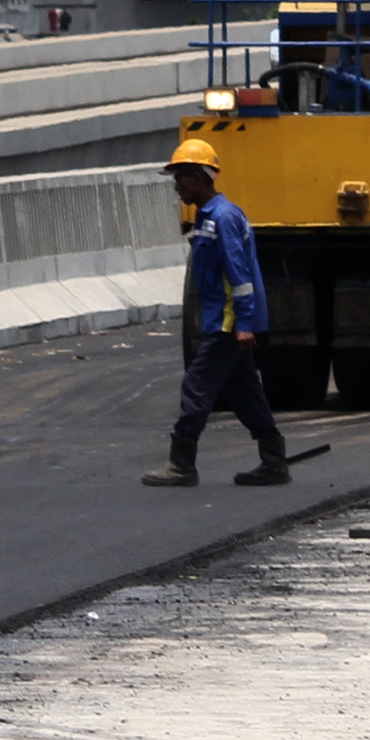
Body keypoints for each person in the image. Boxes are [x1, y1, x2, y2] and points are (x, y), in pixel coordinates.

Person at [143, 138, 293, 489]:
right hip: (225, 320)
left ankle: (182, 465)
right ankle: (274, 461)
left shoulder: (222, 217)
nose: (177, 186)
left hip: (228, 323)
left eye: (180, 178)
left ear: (197, 177)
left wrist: (242, 322)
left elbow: (238, 274)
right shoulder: (212, 215)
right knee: (244, 391)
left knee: (197, 385)